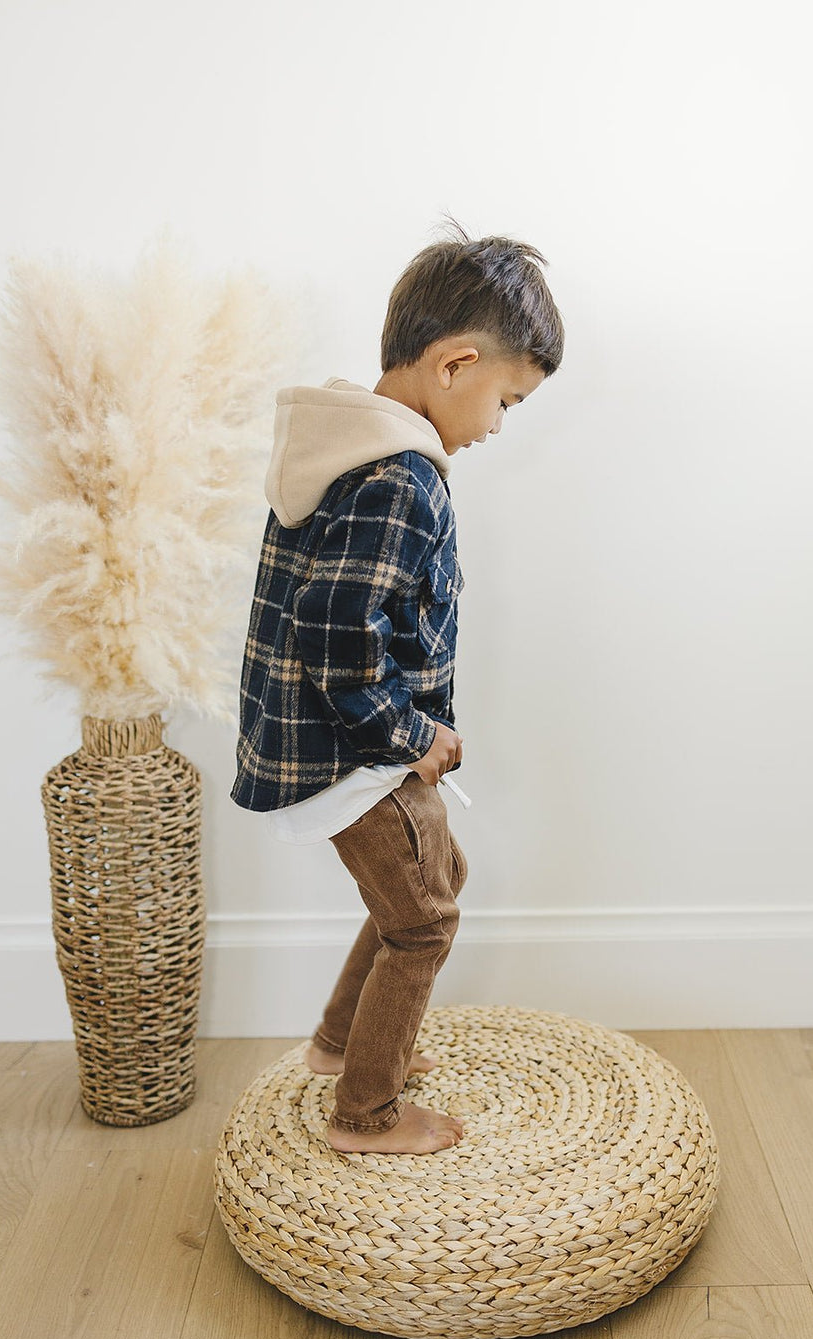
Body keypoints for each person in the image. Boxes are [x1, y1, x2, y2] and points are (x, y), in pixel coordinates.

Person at [230, 216, 564, 1154]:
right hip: (353, 751)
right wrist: (412, 736)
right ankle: (365, 1112)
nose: (498, 427)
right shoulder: (397, 477)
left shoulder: (344, 448)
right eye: (507, 400)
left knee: (431, 881)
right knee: (424, 921)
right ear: (454, 365)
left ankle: (343, 1043)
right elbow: (340, 644)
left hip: (327, 738)